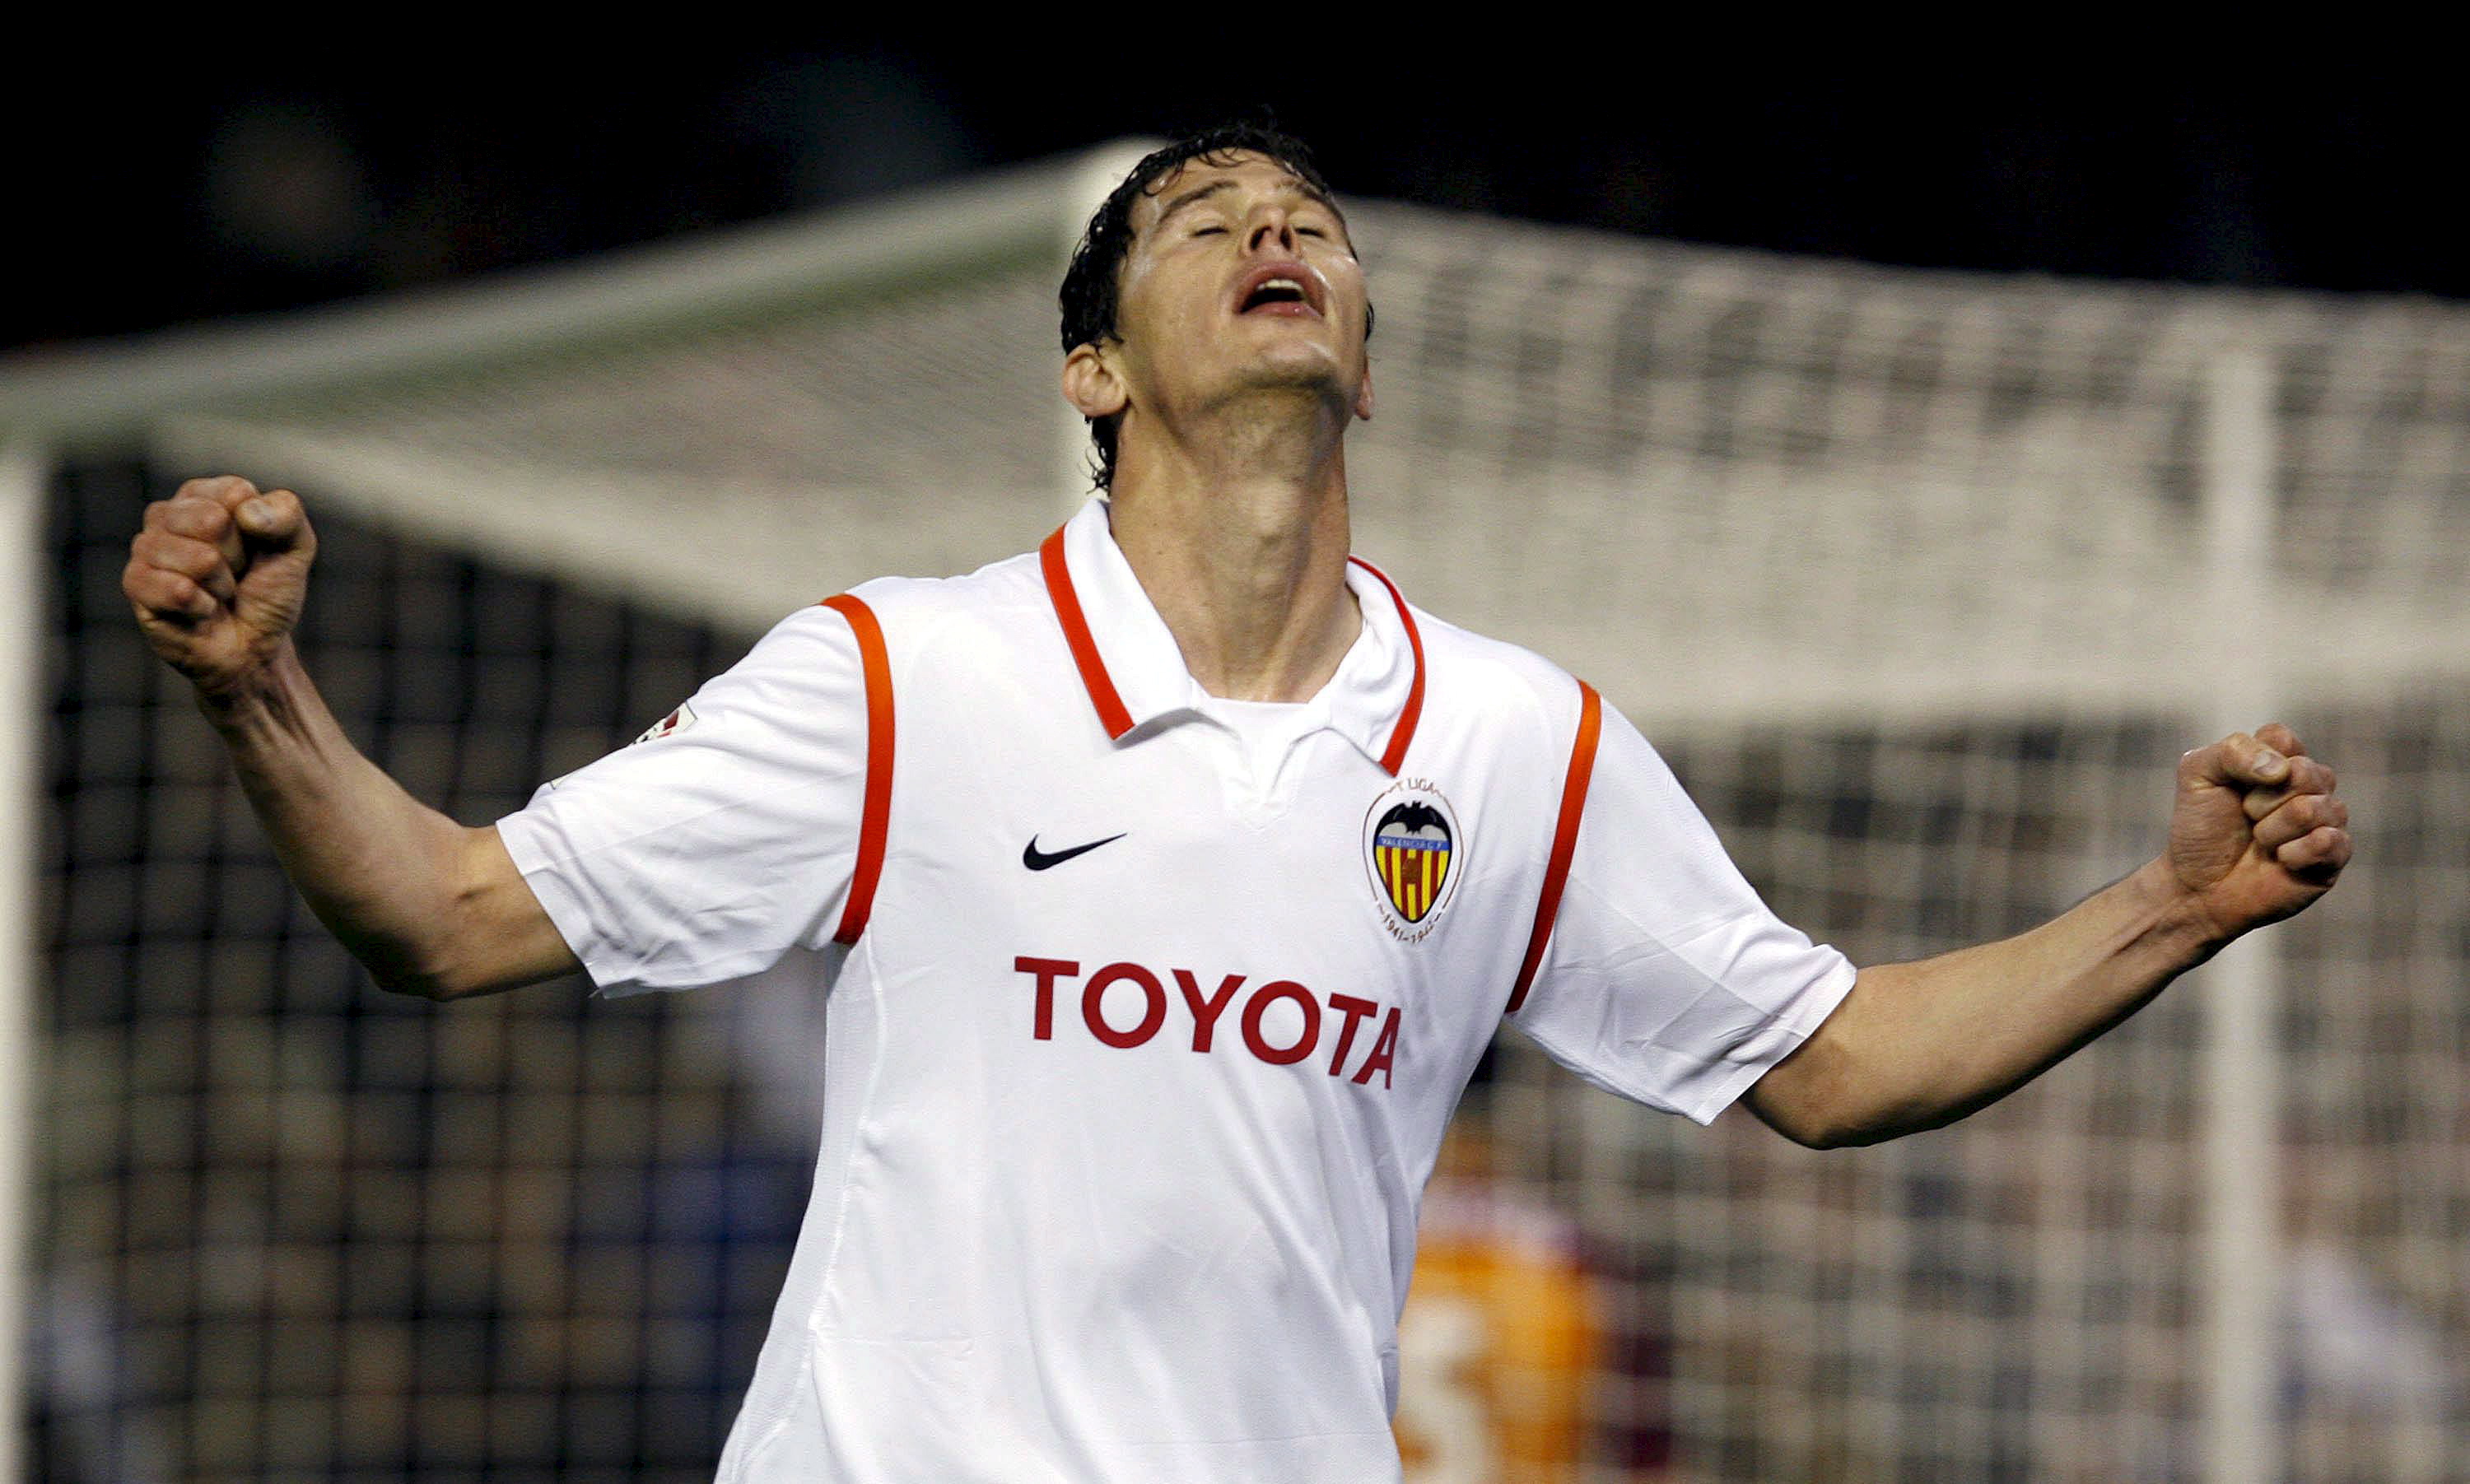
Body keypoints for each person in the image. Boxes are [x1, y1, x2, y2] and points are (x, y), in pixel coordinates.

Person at [123, 124, 2351, 1482]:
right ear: (1094, 368)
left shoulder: (1516, 745)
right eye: (1201, 223)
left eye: (1308, 220)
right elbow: (442, 910)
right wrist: (262, 693)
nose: (1275, 230)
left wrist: (2170, 905)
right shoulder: (907, 676)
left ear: (1365, 354)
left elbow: (1838, 1062)